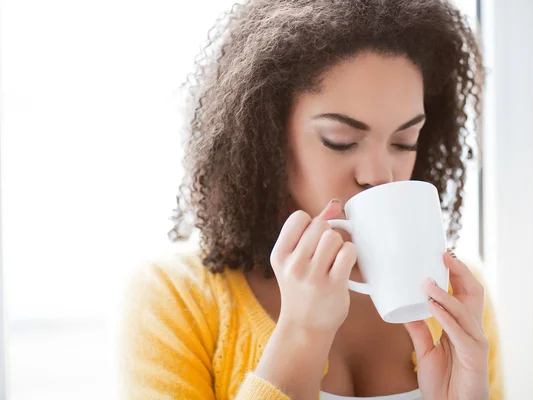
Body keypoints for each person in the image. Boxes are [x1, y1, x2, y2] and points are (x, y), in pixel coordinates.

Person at [119, 0, 503, 399]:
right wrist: (301, 335)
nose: (379, 175)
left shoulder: (455, 296)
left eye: (404, 142)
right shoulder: (176, 298)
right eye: (341, 141)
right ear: (267, 134)